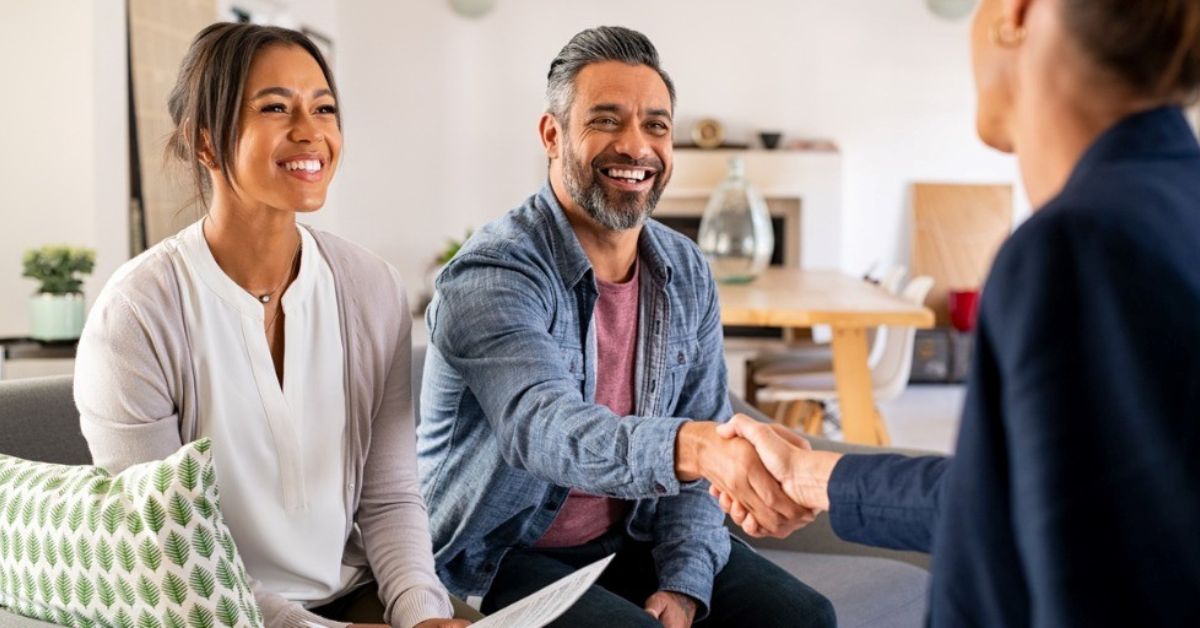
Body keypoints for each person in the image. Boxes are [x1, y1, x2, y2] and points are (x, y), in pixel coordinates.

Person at [710, 0, 1200, 625]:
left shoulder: (1078, 246)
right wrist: (812, 474)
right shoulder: (1169, 208)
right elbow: (1012, 502)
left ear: (1017, 14)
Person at [417, 26, 834, 628]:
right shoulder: (492, 274)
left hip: (626, 538)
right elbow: (543, 426)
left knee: (804, 618)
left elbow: (704, 434)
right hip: (497, 555)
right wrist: (694, 447)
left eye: (656, 126)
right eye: (606, 121)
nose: (636, 147)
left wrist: (685, 579)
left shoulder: (685, 269)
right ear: (552, 134)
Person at [75, 23, 468, 628]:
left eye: (325, 108)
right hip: (207, 610)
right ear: (205, 142)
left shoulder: (371, 287)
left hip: (350, 592)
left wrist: (420, 613)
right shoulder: (136, 314)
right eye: (275, 107)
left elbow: (389, 497)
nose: (310, 131)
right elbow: (173, 555)